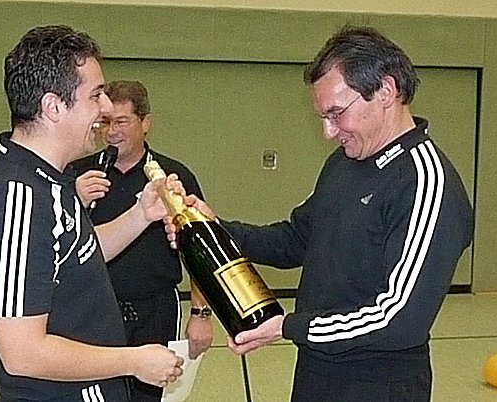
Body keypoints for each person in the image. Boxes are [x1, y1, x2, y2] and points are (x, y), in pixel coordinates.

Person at [175, 26, 474, 401]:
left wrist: (289, 327)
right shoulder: (344, 162)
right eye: (322, 116)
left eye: (336, 113)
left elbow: (400, 319)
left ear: (386, 91)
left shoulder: (426, 183)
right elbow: (296, 240)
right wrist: (212, 228)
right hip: (317, 371)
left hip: (378, 386)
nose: (329, 132)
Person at [0, 25, 184, 402]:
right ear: (53, 107)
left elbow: (74, 254)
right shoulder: (18, 201)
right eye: (96, 95)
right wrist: (132, 361)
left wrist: (141, 214)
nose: (107, 108)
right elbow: (22, 353)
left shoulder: (52, 180)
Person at [69, 80, 213, 402]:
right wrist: (74, 198)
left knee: (149, 396)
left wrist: (201, 315)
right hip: (94, 310)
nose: (111, 132)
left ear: (145, 123)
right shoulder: (78, 174)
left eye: (121, 122)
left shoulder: (173, 177)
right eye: (106, 122)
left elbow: (199, 253)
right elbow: (58, 244)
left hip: (155, 310)